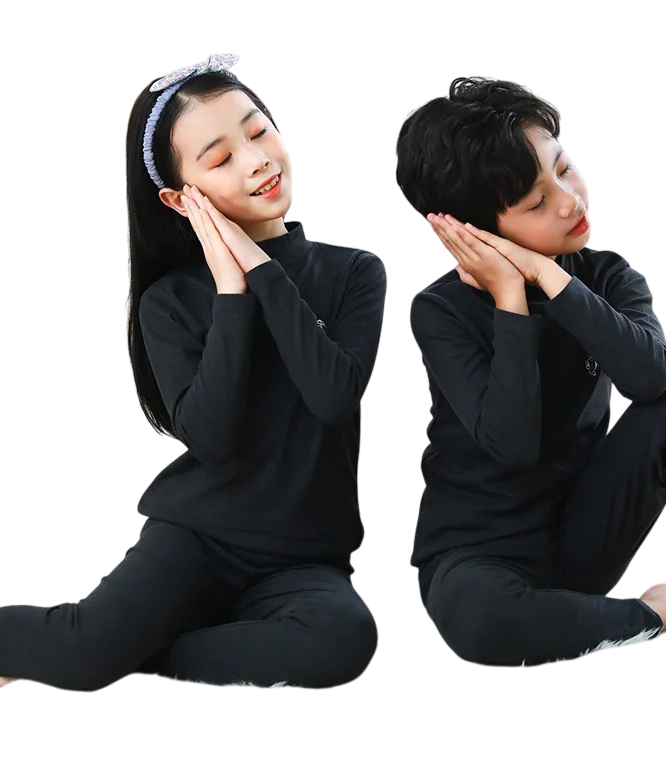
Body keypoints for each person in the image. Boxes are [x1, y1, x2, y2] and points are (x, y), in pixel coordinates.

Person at [0, 53, 386, 691]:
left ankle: (135, 651)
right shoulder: (172, 300)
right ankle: (96, 648)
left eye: (258, 131)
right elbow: (211, 437)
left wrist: (259, 267)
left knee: (344, 641)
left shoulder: (353, 272)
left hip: (303, 561)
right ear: (182, 199)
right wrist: (232, 292)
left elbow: (332, 395)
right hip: (198, 541)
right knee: (80, 652)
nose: (256, 160)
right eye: (222, 157)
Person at [394, 76, 666, 666]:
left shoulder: (608, 277)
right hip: (476, 560)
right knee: (483, 624)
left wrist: (551, 277)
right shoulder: (440, 311)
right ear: (474, 232)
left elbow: (650, 380)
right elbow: (512, 444)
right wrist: (510, 298)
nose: (569, 201)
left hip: (582, 541)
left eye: (564, 169)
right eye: (536, 203)